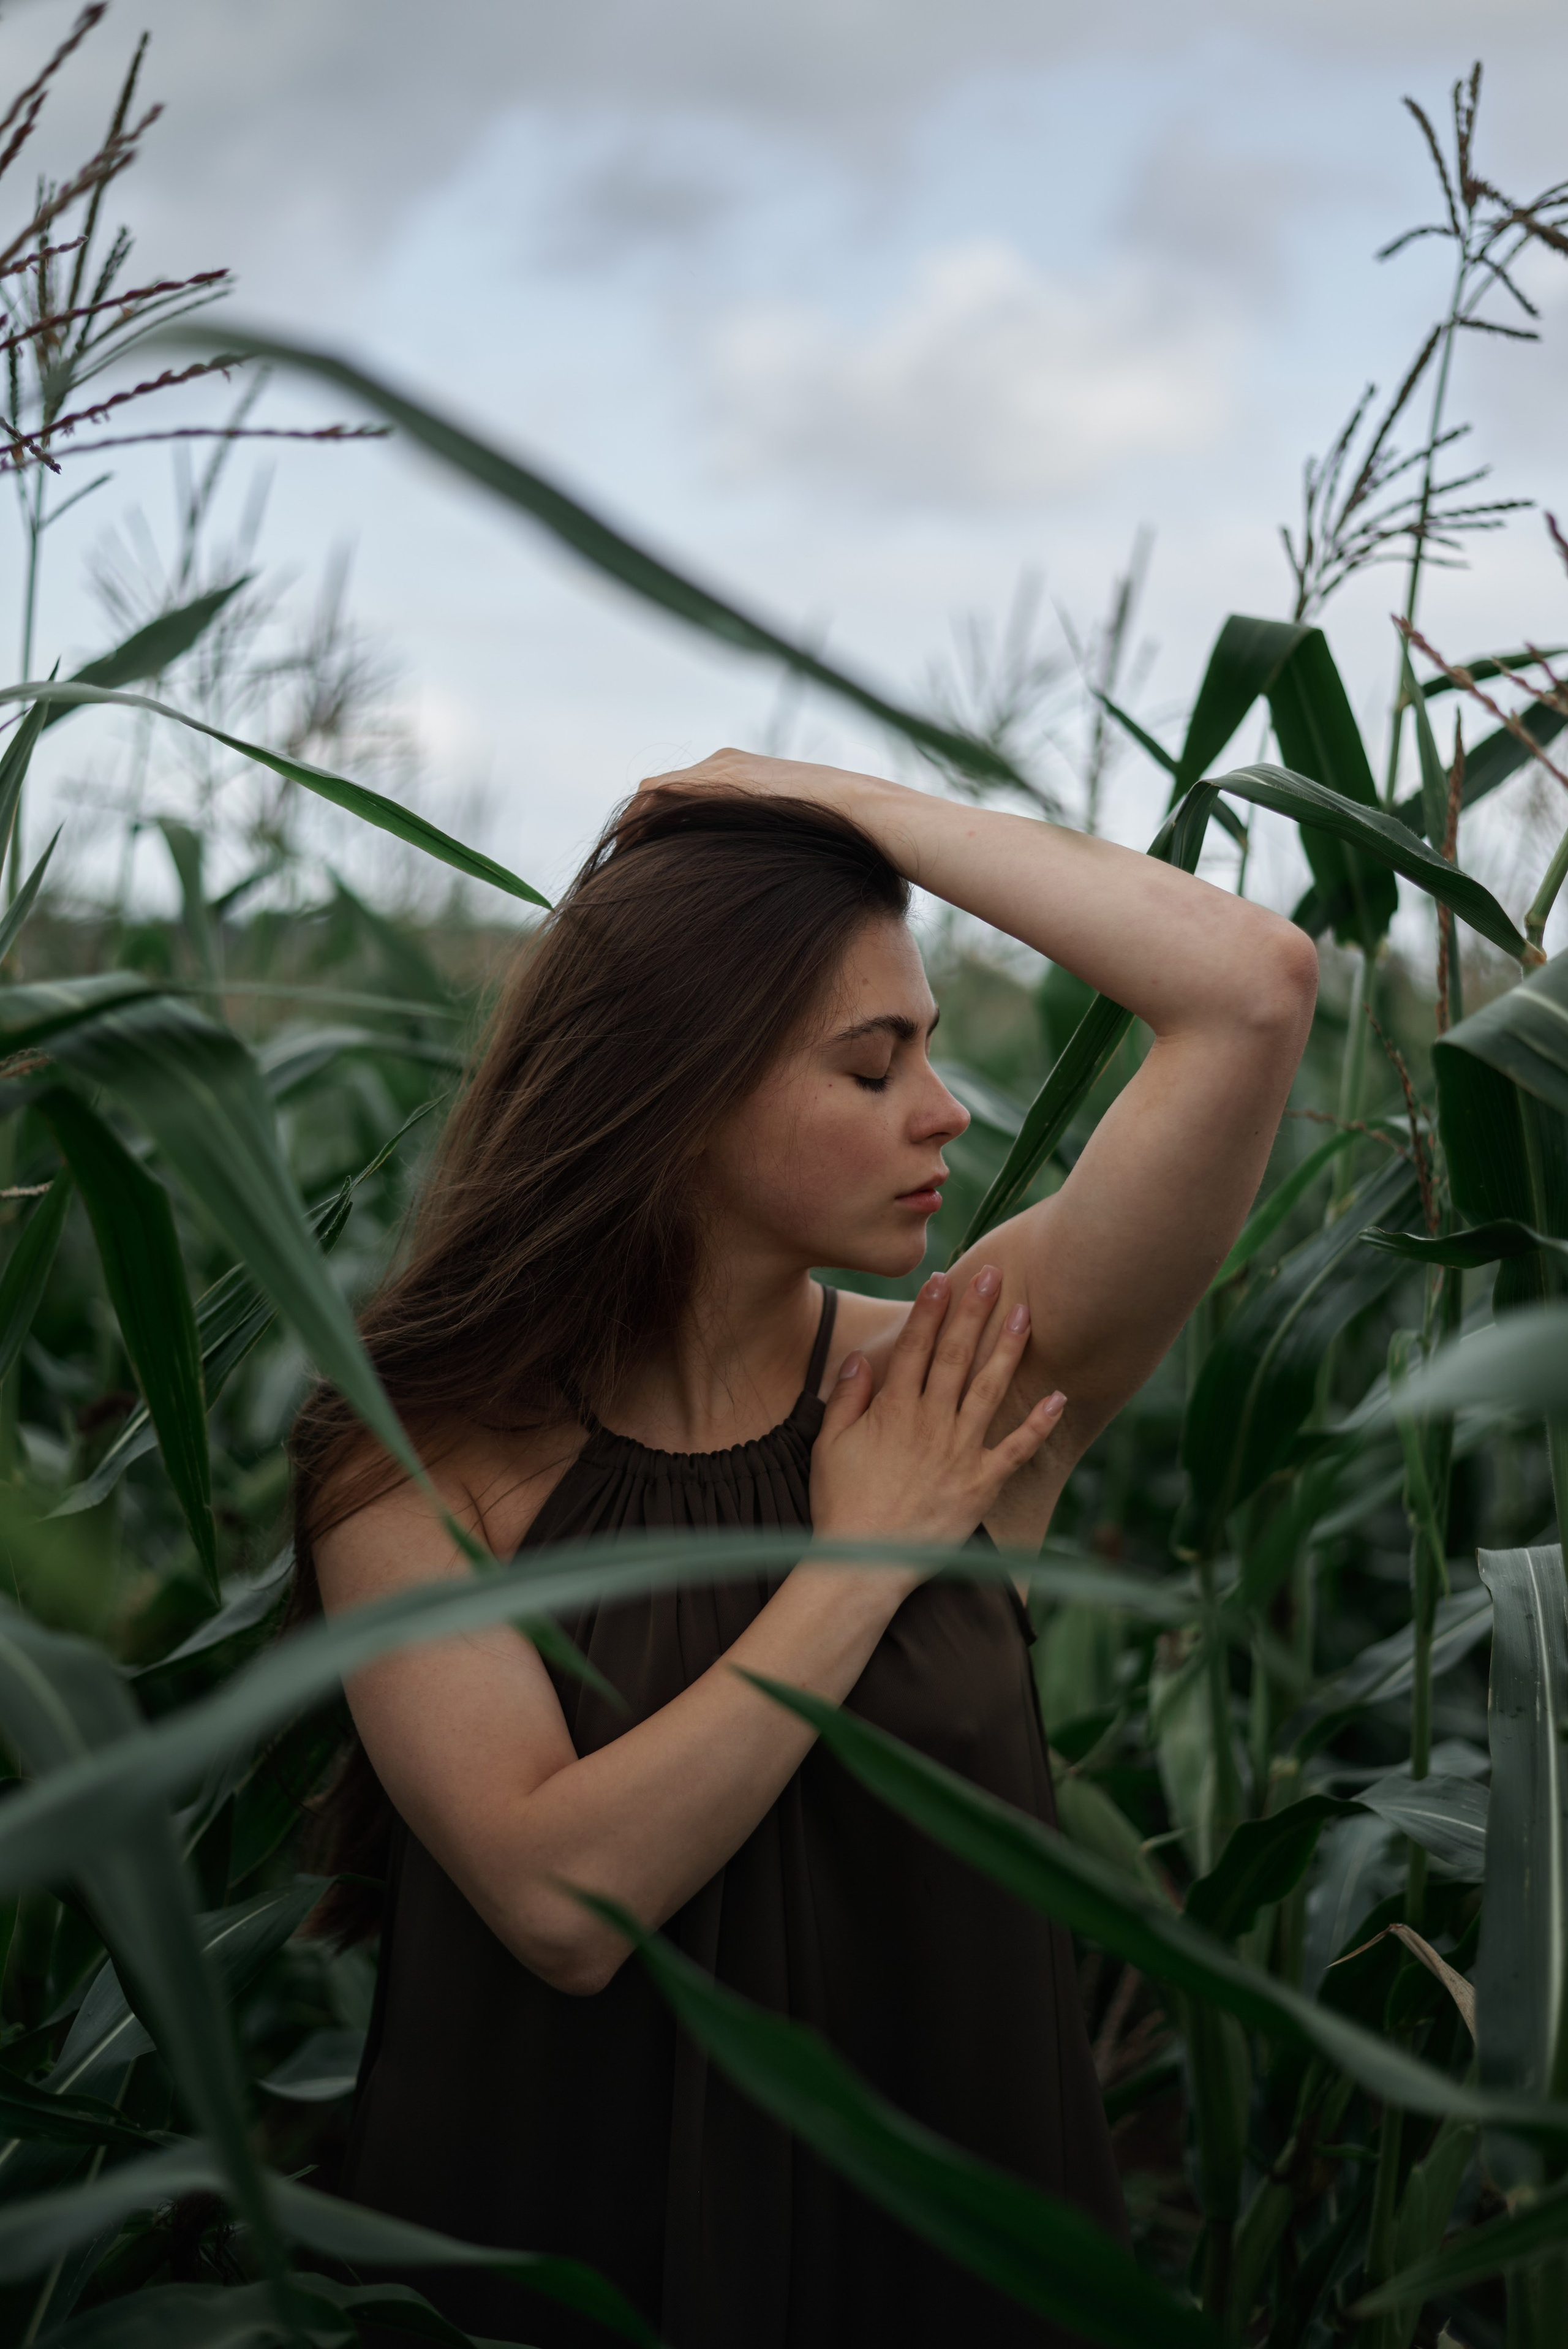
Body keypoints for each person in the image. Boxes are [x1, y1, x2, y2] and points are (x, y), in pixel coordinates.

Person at [292, 750, 1317, 2348]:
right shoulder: (417, 1461)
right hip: (565, 2274)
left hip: (945, 2264)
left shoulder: (963, 1389)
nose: (944, 1108)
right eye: (871, 1065)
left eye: (930, 1047)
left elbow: (1253, 989)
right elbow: (565, 1905)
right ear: (681, 1088)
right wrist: (862, 1561)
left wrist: (831, 809)